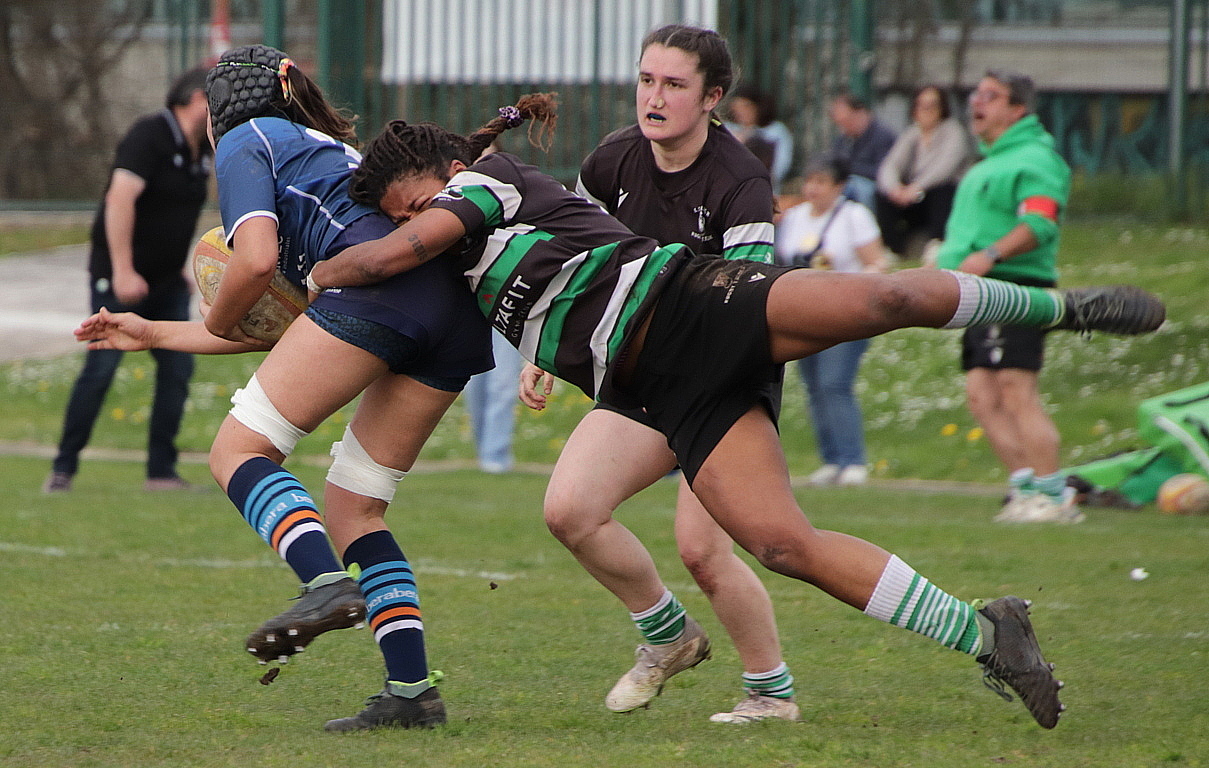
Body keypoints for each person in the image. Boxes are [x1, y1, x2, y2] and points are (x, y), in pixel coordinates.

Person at [305, 95, 1165, 730]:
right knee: (780, 543)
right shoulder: (457, 255)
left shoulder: (483, 182)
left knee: (886, 297)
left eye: (410, 201)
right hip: (662, 393)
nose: (412, 220)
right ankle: (990, 636)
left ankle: (1060, 309)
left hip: (698, 304)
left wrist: (326, 268)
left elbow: (406, 246)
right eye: (400, 216)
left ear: (439, 174)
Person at [75, 45, 513, 732]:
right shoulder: (324, 148)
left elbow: (251, 264)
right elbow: (286, 334)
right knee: (355, 511)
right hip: (448, 316)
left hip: (377, 295)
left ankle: (323, 583)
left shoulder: (247, 139)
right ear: (287, 86)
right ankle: (411, 694)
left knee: (236, 453)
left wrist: (215, 310)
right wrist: (155, 332)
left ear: (218, 115)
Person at [532, 24, 799, 724]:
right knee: (569, 511)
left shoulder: (738, 179)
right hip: (642, 379)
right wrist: (546, 352)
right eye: (646, 80)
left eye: (674, 85)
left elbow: (754, 301)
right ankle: (667, 635)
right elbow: (575, 263)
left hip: (723, 381)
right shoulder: (612, 160)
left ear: (712, 98)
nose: (654, 96)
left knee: (703, 551)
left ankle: (771, 694)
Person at [43, 67, 211, 494]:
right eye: (216, 100)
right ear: (194, 99)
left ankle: (160, 472)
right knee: (100, 369)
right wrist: (122, 270)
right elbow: (118, 200)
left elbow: (177, 213)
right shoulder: (149, 135)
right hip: (121, 279)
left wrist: (178, 268)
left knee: (177, 369)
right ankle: (63, 469)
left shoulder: (202, 152)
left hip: (165, 283)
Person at [934, 70, 1078, 524]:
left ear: (1018, 109)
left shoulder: (1036, 158)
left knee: (1017, 390)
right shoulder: (986, 163)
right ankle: (1025, 487)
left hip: (1014, 288)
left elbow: (1040, 222)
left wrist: (990, 255)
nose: (977, 102)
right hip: (979, 293)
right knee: (981, 395)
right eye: (975, 93)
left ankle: (1055, 496)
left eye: (990, 96)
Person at [775, 157, 886, 486]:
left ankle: (853, 459)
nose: (813, 188)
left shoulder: (854, 216)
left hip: (844, 313)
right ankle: (832, 458)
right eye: (809, 180)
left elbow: (876, 264)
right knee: (812, 385)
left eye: (821, 181)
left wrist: (846, 282)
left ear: (838, 186)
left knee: (834, 383)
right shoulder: (794, 217)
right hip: (805, 313)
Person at [875, 84, 973, 259]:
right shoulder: (912, 133)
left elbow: (944, 168)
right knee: (881, 195)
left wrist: (917, 187)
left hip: (938, 194)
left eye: (932, 105)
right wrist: (894, 188)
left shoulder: (953, 131)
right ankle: (893, 248)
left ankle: (936, 244)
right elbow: (890, 165)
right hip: (914, 198)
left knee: (943, 191)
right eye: (921, 105)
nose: (926, 111)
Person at [464, 330, 525, 473]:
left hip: (508, 313)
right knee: (474, 384)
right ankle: (485, 450)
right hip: (474, 312)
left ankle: (495, 455)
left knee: (503, 385)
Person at [827, 90, 897, 210]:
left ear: (860, 113)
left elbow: (883, 172)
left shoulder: (883, 136)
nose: (843, 127)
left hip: (875, 189)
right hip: (849, 182)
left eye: (846, 121)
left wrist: (849, 169)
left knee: (854, 187)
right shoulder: (843, 139)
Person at [724, 84, 794, 193]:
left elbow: (781, 166)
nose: (741, 111)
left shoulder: (776, 131)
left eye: (746, 106)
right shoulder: (727, 128)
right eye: (737, 107)